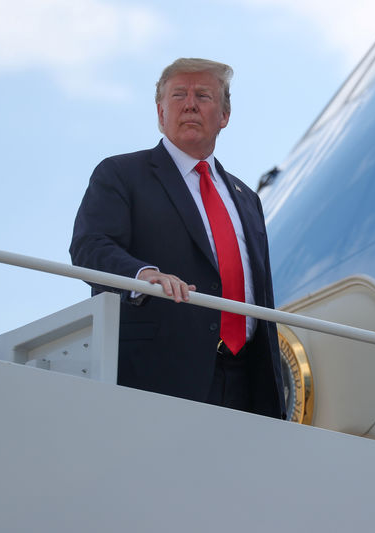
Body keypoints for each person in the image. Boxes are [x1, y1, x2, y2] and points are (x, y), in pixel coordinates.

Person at [70, 58, 285, 419]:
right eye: (178, 95)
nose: (190, 104)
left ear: (224, 116)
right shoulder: (121, 174)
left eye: (203, 95)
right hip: (159, 374)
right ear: (160, 111)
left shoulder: (247, 198)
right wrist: (143, 275)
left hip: (247, 379)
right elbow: (90, 246)